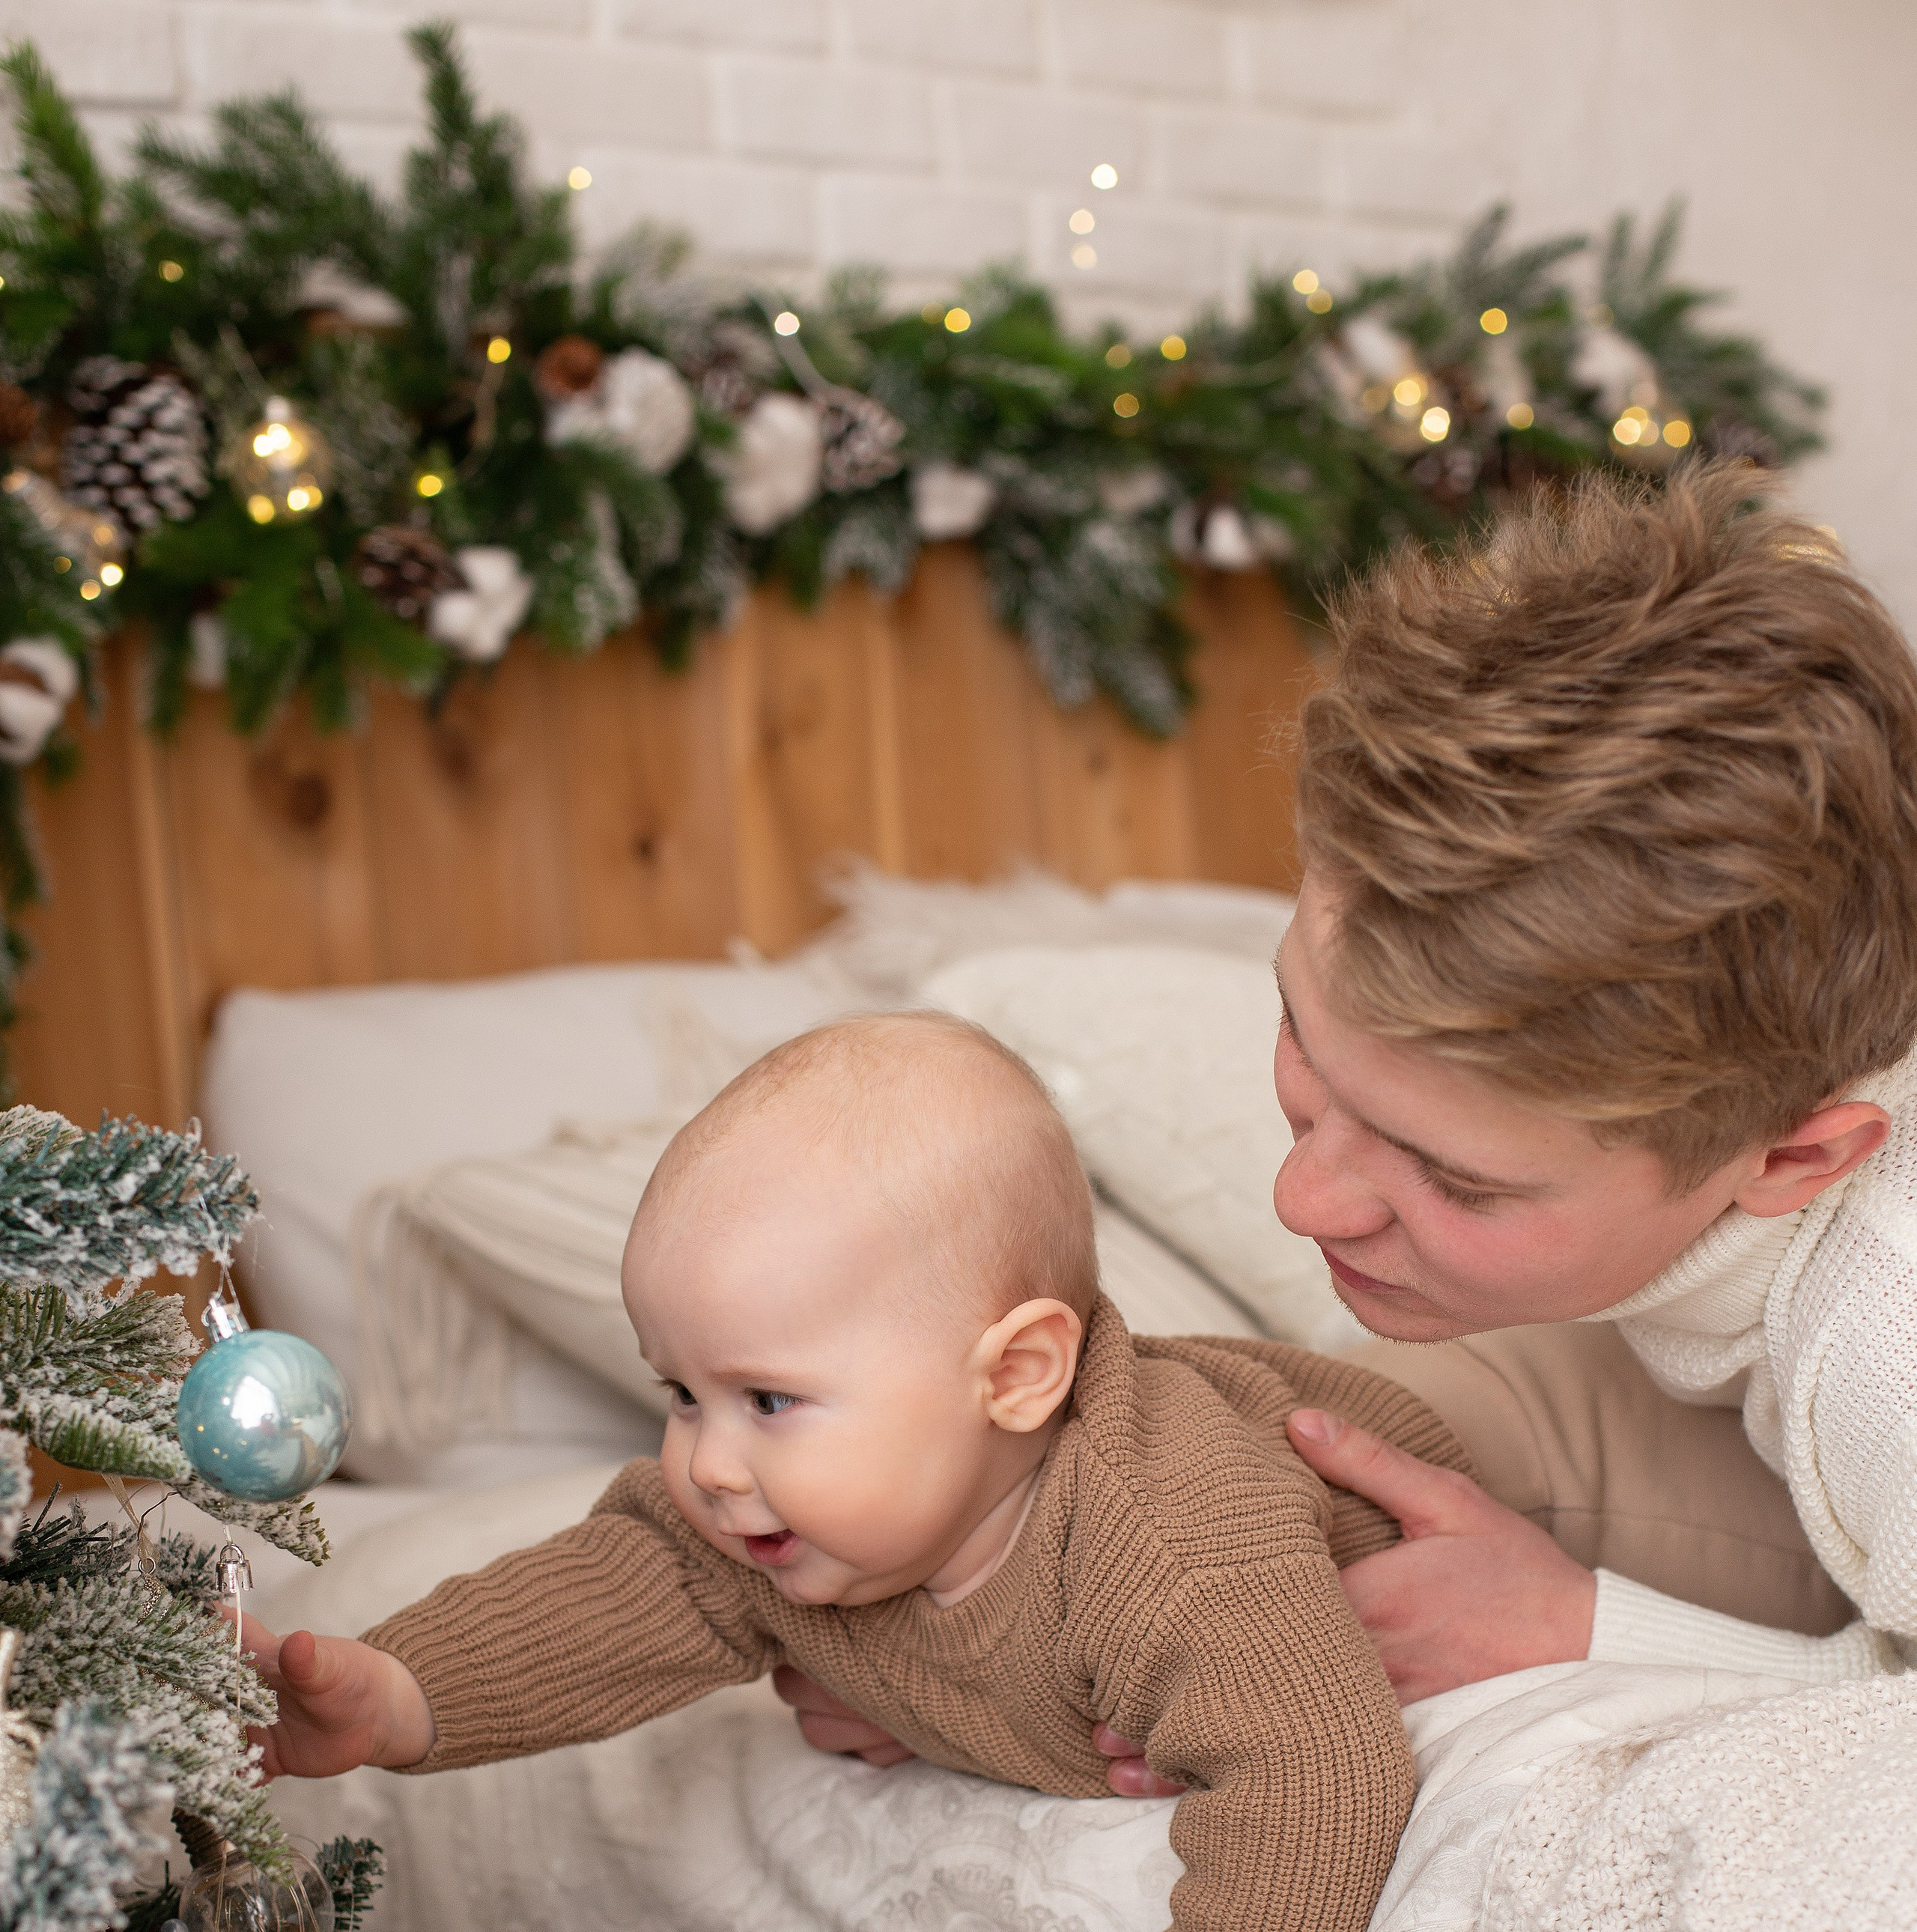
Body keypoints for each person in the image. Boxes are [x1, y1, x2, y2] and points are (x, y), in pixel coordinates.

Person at [783, 465, 1917, 1797]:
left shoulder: (1885, 1335)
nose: (1303, 1199)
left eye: (1453, 1178)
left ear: (1796, 1160)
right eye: (1302, 1044)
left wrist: (1580, 1632)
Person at [240, 1012, 1470, 1932]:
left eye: (768, 1400)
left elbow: (1321, 1770)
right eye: (680, 1395)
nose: (711, 1464)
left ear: (1018, 1375)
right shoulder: (780, 1517)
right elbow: (615, 1586)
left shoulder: (1173, 1537)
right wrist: (398, 1693)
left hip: (1450, 1507)